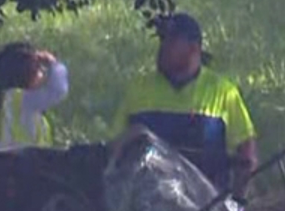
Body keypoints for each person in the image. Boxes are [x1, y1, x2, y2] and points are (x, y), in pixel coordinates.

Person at [110, 13, 258, 199]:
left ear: (193, 49)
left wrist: (238, 204)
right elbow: (115, 150)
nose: (162, 49)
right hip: (145, 210)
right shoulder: (138, 90)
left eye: (171, 43)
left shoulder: (222, 93)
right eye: (162, 41)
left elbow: (247, 155)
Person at [0, 41, 70, 149]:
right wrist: (53, 63)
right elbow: (58, 91)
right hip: (21, 164)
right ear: (26, 72)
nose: (43, 74)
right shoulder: (18, 100)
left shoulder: (9, 100)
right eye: (38, 69)